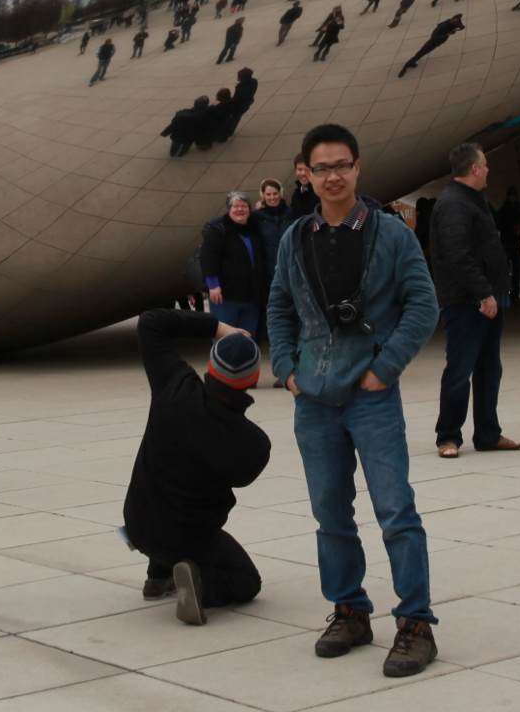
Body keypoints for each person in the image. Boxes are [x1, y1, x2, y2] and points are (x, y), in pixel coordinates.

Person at [267, 123, 440, 677]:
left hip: (371, 396)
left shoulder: (390, 234)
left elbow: (423, 304)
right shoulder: (296, 237)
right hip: (313, 399)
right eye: (322, 168)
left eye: (342, 165)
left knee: (395, 510)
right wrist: (287, 370)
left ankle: (415, 623)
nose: (333, 176)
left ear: (358, 168)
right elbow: (279, 306)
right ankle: (349, 610)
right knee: (329, 513)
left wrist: (384, 369)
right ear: (306, 174)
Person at [122, 308, 270, 623]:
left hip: (137, 521)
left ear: (211, 366)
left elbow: (150, 322)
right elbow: (243, 477)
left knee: (166, 492)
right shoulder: (252, 443)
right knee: (247, 581)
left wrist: (219, 327)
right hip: (187, 536)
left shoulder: (174, 385)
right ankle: (200, 584)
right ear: (253, 379)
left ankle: (158, 574)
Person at [429, 142, 520, 459]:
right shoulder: (453, 204)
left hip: (487, 298)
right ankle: (448, 436)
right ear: (474, 168)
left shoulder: (474, 199)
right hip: (466, 302)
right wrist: (482, 292)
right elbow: (457, 255)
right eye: (485, 164)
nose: (488, 169)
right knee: (460, 370)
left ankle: (487, 434)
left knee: (489, 368)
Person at [201, 192, 266, 338]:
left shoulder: (253, 230)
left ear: (249, 210)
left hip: (251, 296)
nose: (240, 209)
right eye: (235, 206)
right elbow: (208, 257)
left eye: (244, 206)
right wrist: (213, 285)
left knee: (248, 338)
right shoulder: (218, 229)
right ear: (229, 209)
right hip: (225, 296)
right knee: (225, 339)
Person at [253, 178, 293, 293]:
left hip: (289, 267)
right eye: (268, 194)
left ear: (280, 193)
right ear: (263, 195)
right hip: (267, 271)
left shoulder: (291, 213)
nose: (272, 197)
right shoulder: (256, 217)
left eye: (275, 193)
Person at [398, 14, 464, 76]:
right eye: (455, 22)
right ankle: (408, 64)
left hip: (437, 42)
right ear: (453, 19)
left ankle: (412, 61)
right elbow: (434, 36)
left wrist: (457, 28)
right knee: (422, 52)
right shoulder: (443, 26)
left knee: (423, 52)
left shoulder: (450, 22)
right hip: (433, 42)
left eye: (456, 22)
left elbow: (460, 26)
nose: (456, 23)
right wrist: (447, 34)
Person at [496, 187, 520, 303]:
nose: (512, 198)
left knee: (516, 271)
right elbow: (498, 224)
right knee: (506, 271)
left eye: (514, 196)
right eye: (511, 196)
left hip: (514, 243)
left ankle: (514, 295)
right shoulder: (504, 210)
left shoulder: (519, 209)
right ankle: (506, 295)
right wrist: (511, 228)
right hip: (507, 243)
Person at [216, 67, 258, 140]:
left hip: (239, 106)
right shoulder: (254, 81)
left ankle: (228, 132)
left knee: (234, 118)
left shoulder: (240, 88)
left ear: (242, 78)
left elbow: (236, 100)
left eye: (239, 76)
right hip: (247, 102)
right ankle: (230, 131)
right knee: (237, 117)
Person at [290, 153, 320, 218]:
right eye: (300, 169)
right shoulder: (296, 195)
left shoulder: (321, 192)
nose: (303, 173)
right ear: (295, 171)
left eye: (307, 169)